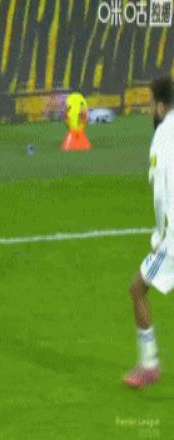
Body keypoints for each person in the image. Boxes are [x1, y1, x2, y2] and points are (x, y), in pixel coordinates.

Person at [123, 77, 174, 388]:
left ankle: (149, 364)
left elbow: (161, 195)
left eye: (150, 103)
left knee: (137, 289)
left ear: (160, 105)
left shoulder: (162, 138)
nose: (149, 110)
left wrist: (160, 238)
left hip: (173, 241)